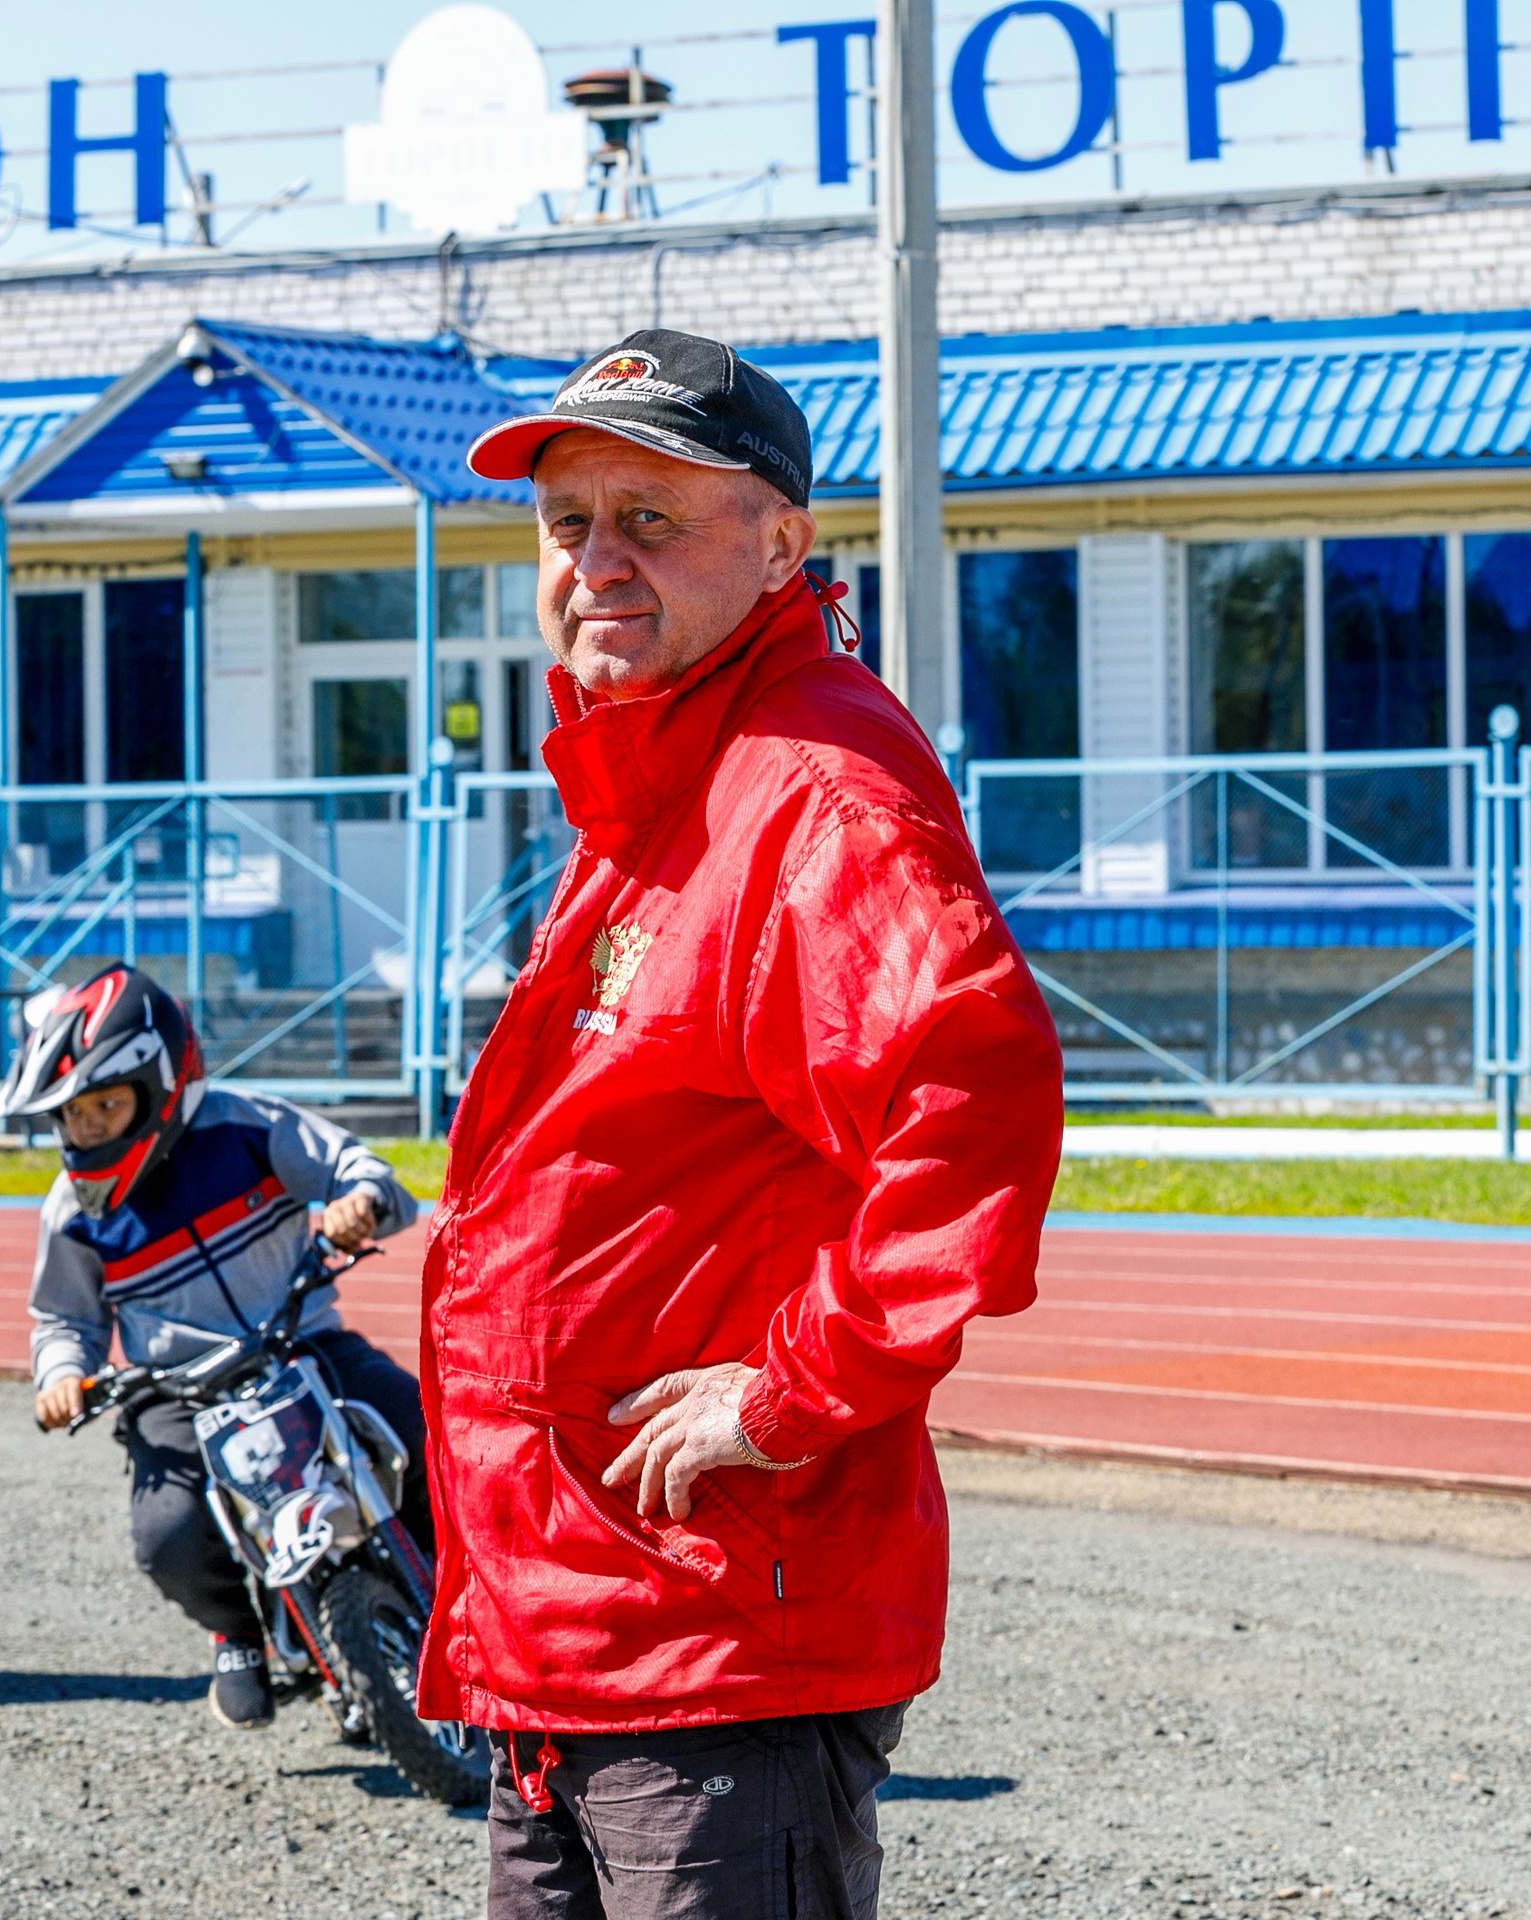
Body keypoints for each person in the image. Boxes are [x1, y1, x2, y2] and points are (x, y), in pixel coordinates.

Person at [419, 330, 1064, 1917]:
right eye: (570, 525)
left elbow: (971, 1109)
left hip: (711, 1628)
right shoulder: (668, 770)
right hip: (582, 1627)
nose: (597, 563)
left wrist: (785, 1396)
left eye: (654, 516)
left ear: (785, 542)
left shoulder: (811, 789)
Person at [6, 963, 426, 1731]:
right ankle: (236, 1629)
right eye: (72, 1114)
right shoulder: (70, 1212)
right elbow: (63, 1319)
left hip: (301, 1344)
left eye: (106, 1104)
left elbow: (354, 1168)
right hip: (177, 1391)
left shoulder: (245, 1126)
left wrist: (358, 1202)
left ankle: (469, 1598)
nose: (89, 1127)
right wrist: (63, 1374)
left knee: (425, 1432)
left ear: (161, 1084)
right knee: (166, 1532)